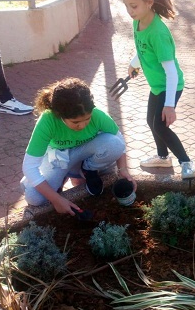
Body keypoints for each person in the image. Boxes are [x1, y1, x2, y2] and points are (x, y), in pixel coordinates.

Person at [21, 78, 136, 216]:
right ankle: (61, 178)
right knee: (34, 197)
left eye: (86, 119)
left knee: (114, 144)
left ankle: (88, 170)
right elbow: (29, 167)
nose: (82, 126)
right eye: (75, 122)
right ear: (60, 115)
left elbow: (120, 142)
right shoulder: (48, 120)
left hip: (84, 155)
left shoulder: (98, 115)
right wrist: (56, 199)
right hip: (59, 158)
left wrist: (123, 169)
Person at [121, 0, 195, 180]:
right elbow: (143, 48)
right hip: (157, 85)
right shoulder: (138, 22)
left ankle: (186, 162)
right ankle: (163, 157)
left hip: (170, 85)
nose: (129, 11)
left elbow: (171, 73)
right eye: (126, 6)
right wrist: (134, 64)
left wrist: (169, 105)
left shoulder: (159, 33)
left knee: (160, 126)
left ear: (149, 2)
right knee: (150, 120)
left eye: (134, 6)